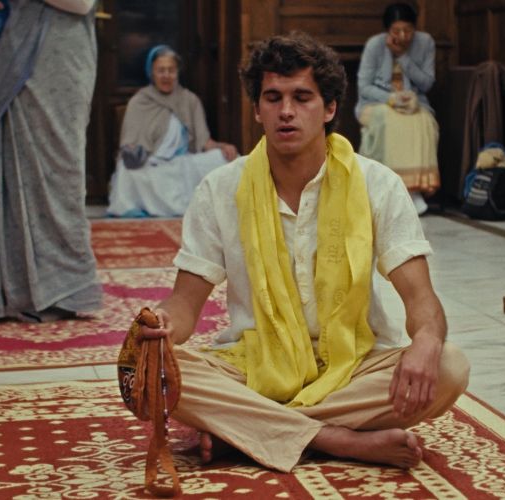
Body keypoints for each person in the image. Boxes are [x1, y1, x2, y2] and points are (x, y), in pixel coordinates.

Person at [137, 32, 470, 472]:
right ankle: (336, 439)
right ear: (257, 110)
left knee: (449, 366)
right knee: (153, 368)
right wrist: (162, 325)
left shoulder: (377, 184)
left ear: (329, 108)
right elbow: (184, 302)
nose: (286, 111)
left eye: (302, 97)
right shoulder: (220, 188)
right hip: (254, 366)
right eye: (273, 97)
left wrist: (426, 339)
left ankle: (248, 431)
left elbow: (421, 298)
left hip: (352, 366)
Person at [0, 0, 102, 321]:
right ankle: (3, 290)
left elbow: (81, 3)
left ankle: (62, 288)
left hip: (57, 54)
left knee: (58, 171)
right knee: (8, 166)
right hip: (8, 52)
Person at [107, 45, 238, 217]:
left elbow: (205, 142)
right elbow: (129, 145)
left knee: (226, 160)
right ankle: (133, 206)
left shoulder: (190, 100)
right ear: (152, 73)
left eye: (171, 70)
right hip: (152, 164)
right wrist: (133, 152)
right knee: (126, 169)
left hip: (182, 162)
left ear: (177, 73)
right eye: (161, 70)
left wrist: (222, 147)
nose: (166, 75)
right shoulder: (139, 102)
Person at [355, 2, 439, 215]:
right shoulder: (374, 45)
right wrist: (391, 98)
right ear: (387, 30)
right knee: (389, 119)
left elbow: (427, 83)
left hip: (414, 103)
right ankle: (386, 191)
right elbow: (364, 86)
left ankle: (413, 191)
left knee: (423, 120)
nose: (402, 36)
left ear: (415, 28)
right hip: (376, 104)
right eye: (396, 31)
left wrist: (402, 57)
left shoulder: (425, 42)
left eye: (408, 30)